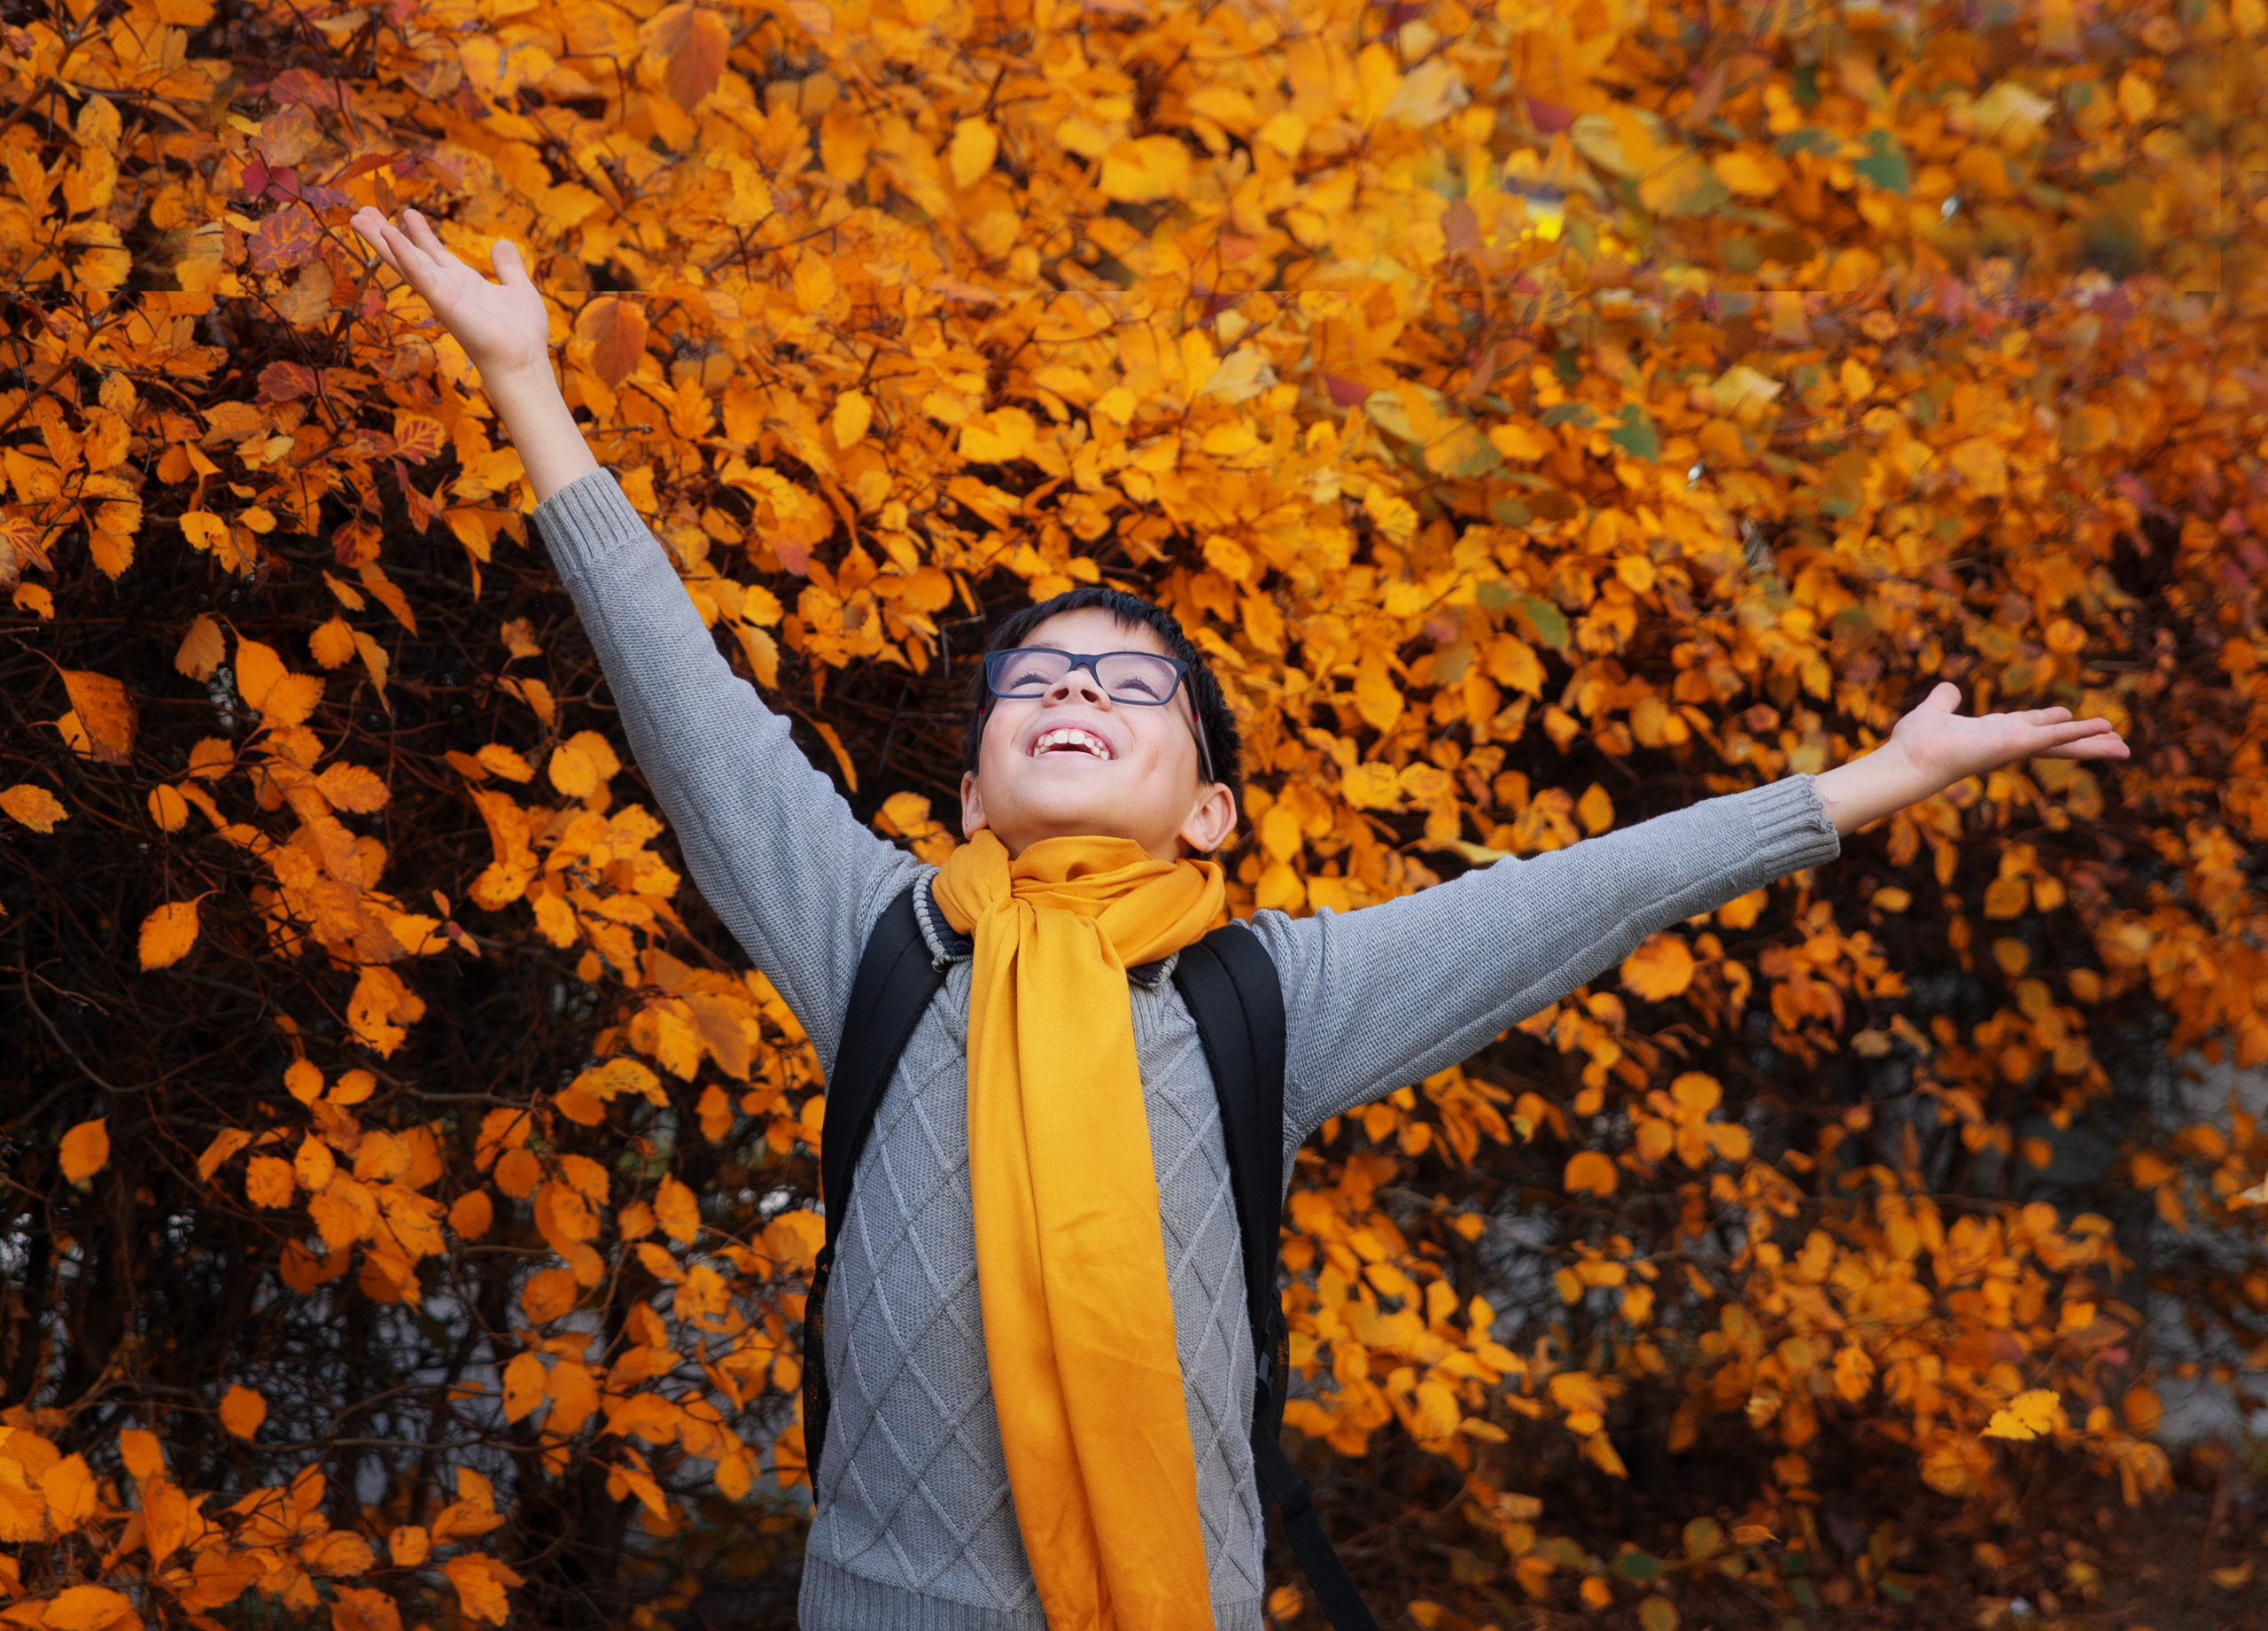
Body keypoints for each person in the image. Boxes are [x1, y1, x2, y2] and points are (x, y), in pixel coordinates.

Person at [348, 208, 2132, 1631]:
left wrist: (1864, 787)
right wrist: (527, 389)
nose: (1072, 690)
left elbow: (1576, 898)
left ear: (1208, 808)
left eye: (1131, 686)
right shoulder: (878, 943)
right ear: (967, 790)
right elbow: (685, 708)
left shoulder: (1267, 990)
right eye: (1032, 676)